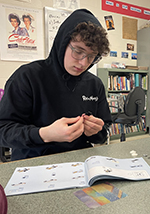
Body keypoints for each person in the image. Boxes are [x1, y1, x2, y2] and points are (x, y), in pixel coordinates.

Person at [0, 9, 111, 161]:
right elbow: (3, 131)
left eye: (92, 56)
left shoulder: (94, 84)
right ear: (63, 42)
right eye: (78, 51)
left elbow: (103, 133)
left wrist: (96, 132)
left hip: (80, 162)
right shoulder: (27, 77)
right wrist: (44, 134)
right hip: (33, 161)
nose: (83, 62)